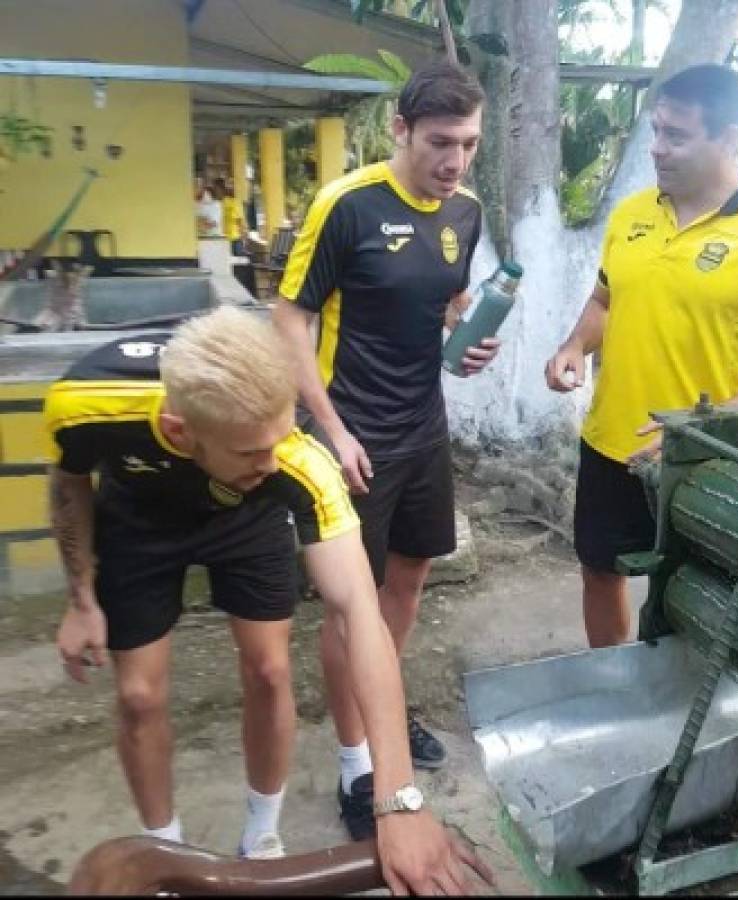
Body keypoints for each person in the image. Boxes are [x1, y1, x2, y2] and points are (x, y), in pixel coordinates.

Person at [45, 306, 493, 894]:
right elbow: (68, 481)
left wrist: (399, 799)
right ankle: (165, 855)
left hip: (246, 516)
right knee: (138, 695)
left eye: (281, 440)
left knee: (269, 669)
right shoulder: (86, 402)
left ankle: (260, 838)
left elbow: (360, 613)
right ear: (181, 432)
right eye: (257, 451)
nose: (276, 457)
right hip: (138, 520)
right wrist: (82, 596)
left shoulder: (291, 460)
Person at [272, 60, 497, 840]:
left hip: (423, 427)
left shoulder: (464, 211)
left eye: (468, 144)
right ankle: (354, 762)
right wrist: (330, 432)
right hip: (351, 434)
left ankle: (382, 710)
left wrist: (463, 339)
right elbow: (291, 320)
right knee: (350, 606)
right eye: (440, 142)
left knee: (409, 580)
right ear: (400, 129)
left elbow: (449, 300)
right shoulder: (347, 206)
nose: (454, 162)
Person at [545, 64, 738, 649]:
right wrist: (574, 345)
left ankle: (685, 708)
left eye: (676, 135)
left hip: (707, 462)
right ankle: (614, 684)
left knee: (701, 589)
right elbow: (603, 300)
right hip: (611, 444)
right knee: (600, 571)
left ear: (727, 138)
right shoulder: (633, 213)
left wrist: (699, 427)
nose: (657, 149)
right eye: (656, 131)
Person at [213, 177, 248, 256]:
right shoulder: (216, 204)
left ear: (222, 189)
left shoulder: (234, 202)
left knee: (235, 265)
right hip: (221, 240)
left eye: (216, 189)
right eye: (214, 189)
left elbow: (240, 221)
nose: (215, 192)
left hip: (234, 240)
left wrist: (244, 238)